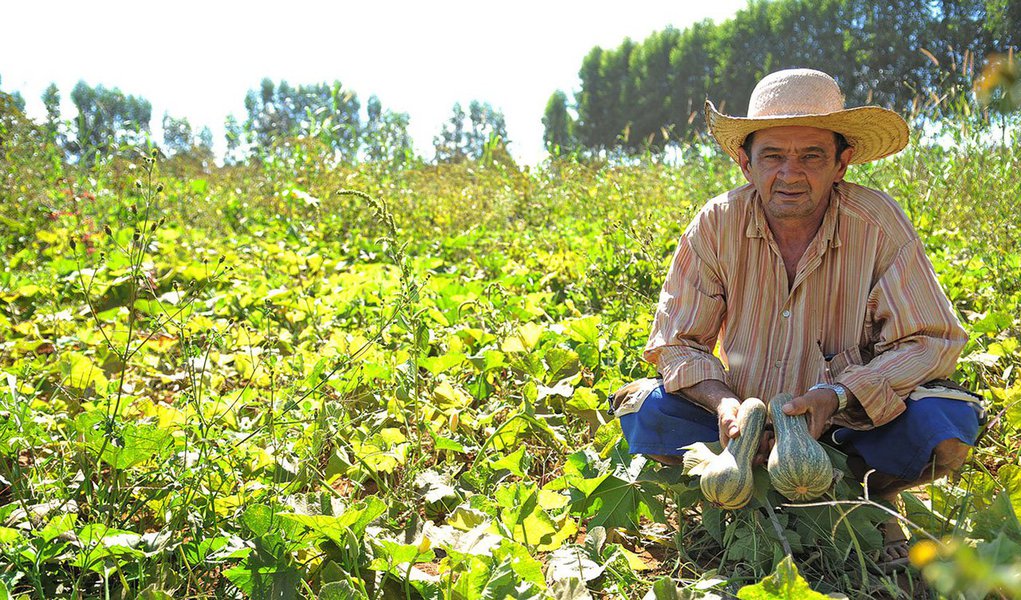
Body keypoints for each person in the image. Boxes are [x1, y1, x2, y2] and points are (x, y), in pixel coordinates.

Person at [610, 68, 984, 572]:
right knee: (645, 413)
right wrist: (726, 406)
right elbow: (678, 343)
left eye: (811, 156)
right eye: (773, 156)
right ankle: (738, 484)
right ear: (746, 163)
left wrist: (840, 395)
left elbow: (930, 339)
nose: (790, 174)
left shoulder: (876, 224)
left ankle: (869, 496)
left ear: (841, 163)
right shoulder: (716, 225)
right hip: (741, 424)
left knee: (945, 424)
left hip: (849, 426)